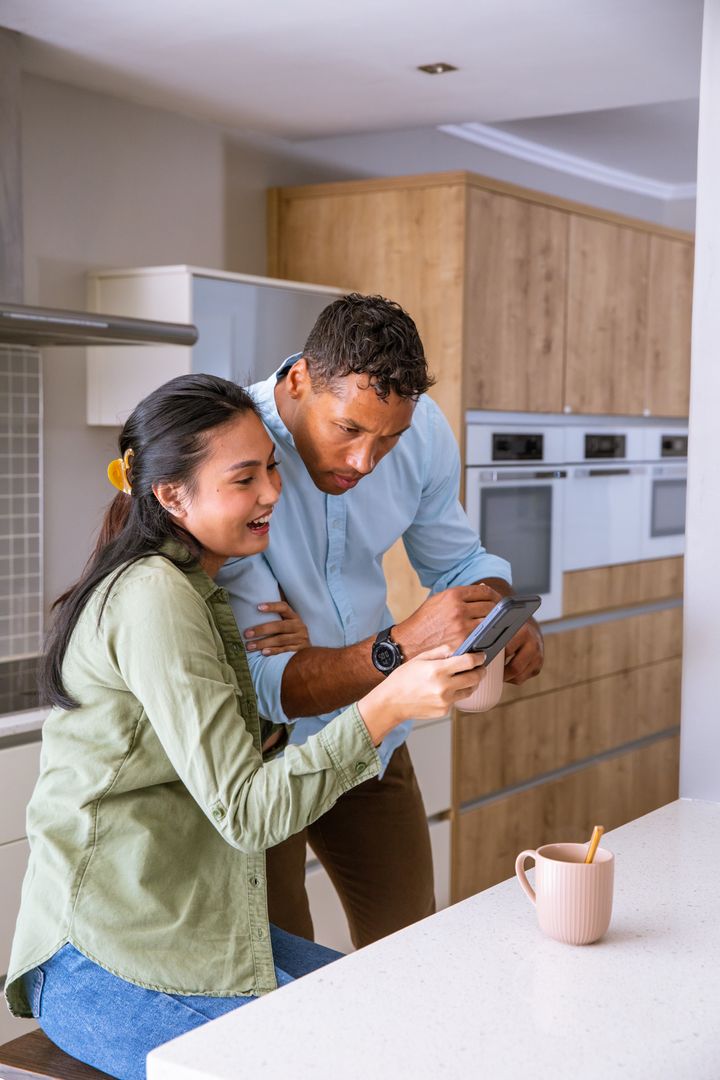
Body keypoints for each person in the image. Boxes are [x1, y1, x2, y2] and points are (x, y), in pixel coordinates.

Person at [3, 374, 487, 1080]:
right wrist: (386, 704)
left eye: (271, 468)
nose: (271, 494)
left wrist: (310, 651)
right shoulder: (154, 599)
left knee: (400, 1012)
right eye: (244, 478)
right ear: (171, 495)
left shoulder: (204, 589)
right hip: (103, 959)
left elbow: (242, 737)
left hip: (194, 930)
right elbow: (246, 812)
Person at [217, 294, 545, 949]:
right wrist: (402, 644)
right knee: (280, 974)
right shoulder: (234, 451)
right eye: (349, 430)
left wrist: (501, 615)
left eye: (388, 438)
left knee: (409, 949)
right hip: (265, 755)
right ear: (301, 380)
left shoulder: (421, 432)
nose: (366, 461)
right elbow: (270, 682)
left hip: (373, 735)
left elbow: (459, 560)